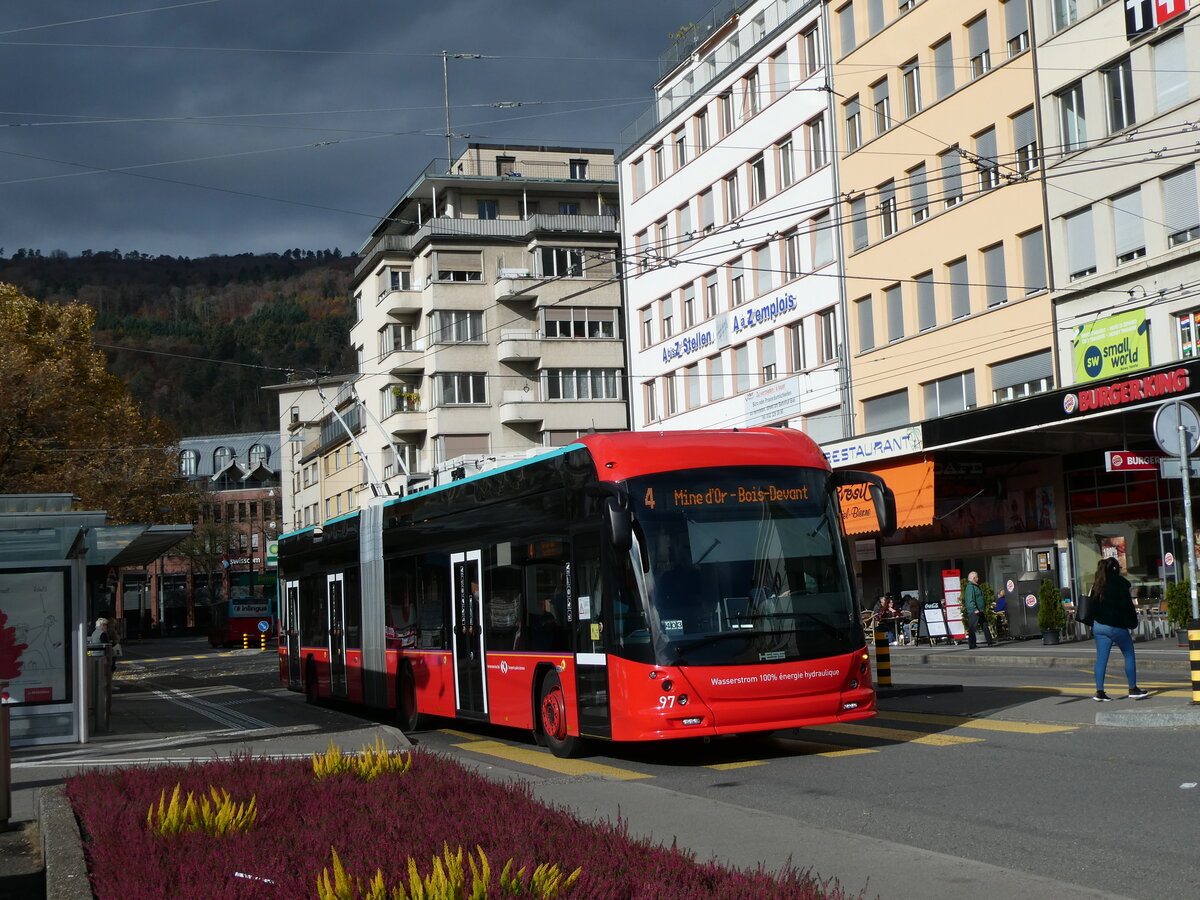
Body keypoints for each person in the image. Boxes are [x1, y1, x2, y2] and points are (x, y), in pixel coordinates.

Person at [1089, 557, 1149, 702]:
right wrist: (1131, 622)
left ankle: (1100, 692)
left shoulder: (1097, 584)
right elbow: (1127, 607)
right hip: (1115, 626)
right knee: (1128, 653)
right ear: (1116, 569)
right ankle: (1133, 689)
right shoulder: (1120, 584)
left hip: (1098, 626)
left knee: (1101, 660)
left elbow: (1092, 605)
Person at [962, 571, 995, 649]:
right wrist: (974, 608)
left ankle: (989, 641)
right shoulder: (970, 587)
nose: (978, 578)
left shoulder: (976, 586)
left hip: (980, 610)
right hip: (975, 611)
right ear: (974, 578)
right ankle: (972, 644)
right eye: (977, 577)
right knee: (972, 627)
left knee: (984, 625)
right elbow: (970, 599)